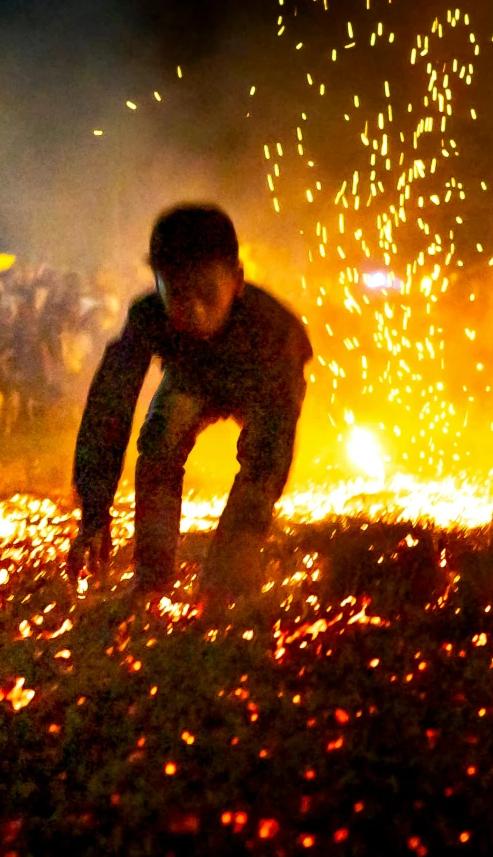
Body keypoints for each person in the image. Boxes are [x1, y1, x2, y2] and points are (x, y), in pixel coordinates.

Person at [68, 205, 312, 605]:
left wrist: (235, 557)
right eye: (178, 294)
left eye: (207, 295)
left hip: (261, 386)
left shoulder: (275, 334)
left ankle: (227, 583)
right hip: (192, 379)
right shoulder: (147, 318)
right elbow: (109, 408)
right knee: (159, 442)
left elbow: (271, 454)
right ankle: (152, 579)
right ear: (158, 284)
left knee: (261, 466)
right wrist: (95, 511)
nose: (195, 311)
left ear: (236, 282)